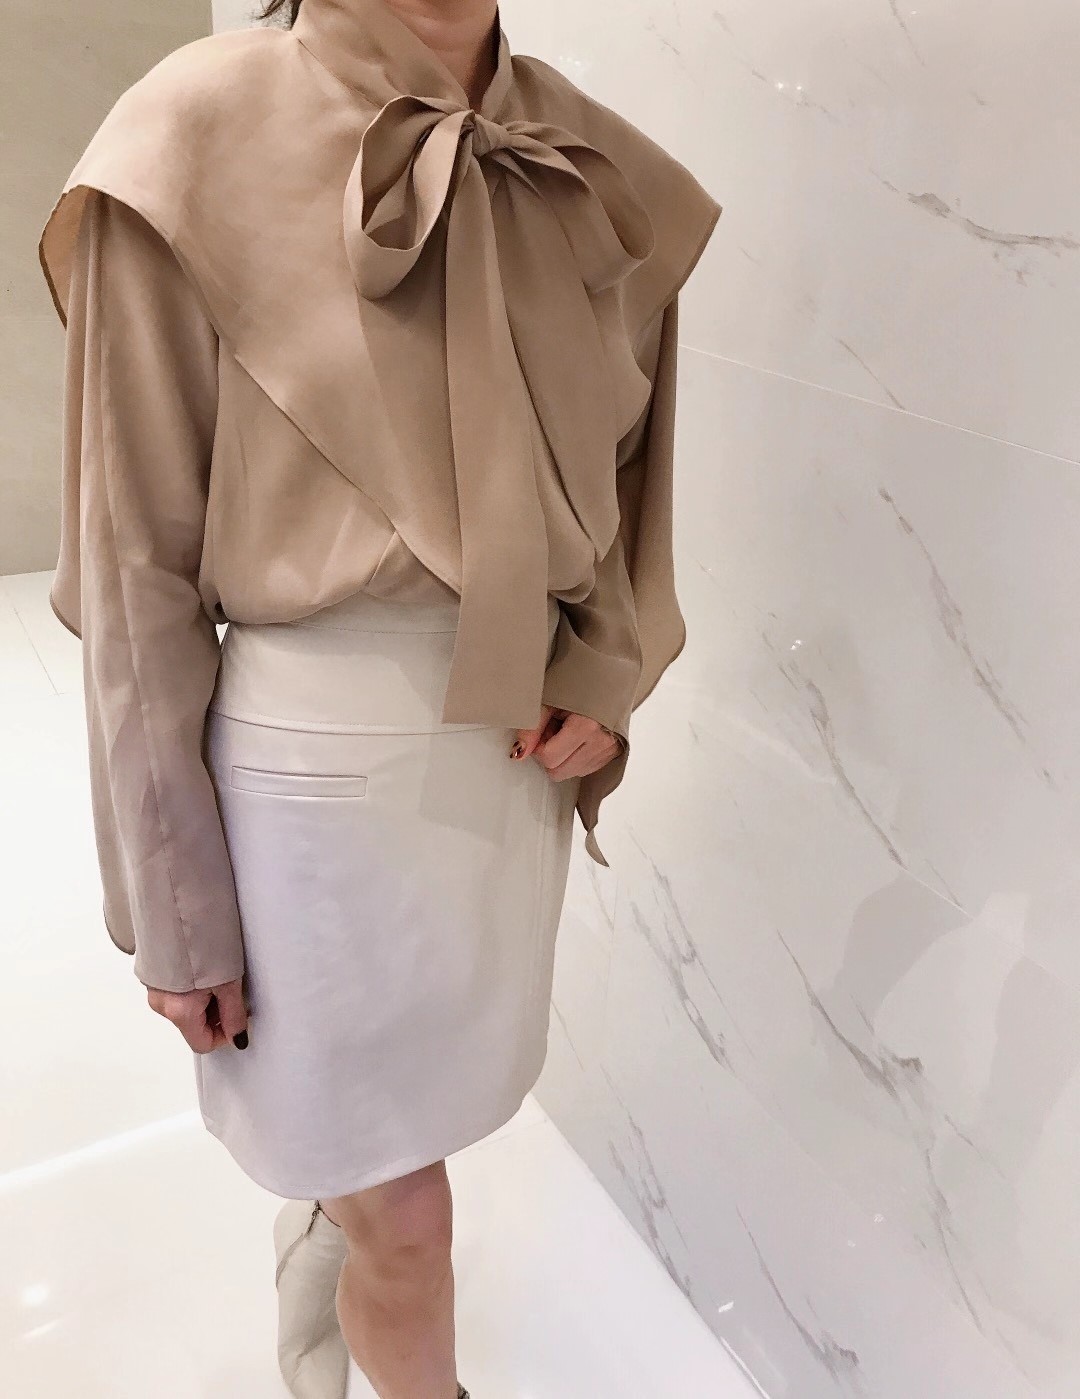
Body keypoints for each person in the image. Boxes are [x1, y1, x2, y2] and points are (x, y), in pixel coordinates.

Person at [37, 1, 721, 1395]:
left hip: (505, 776)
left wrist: (607, 670)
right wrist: (171, 896)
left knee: (396, 1153)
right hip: (310, 784)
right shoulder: (189, 132)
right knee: (410, 1218)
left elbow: (634, 476)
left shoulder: (590, 155)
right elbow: (130, 560)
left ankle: (322, 1283)